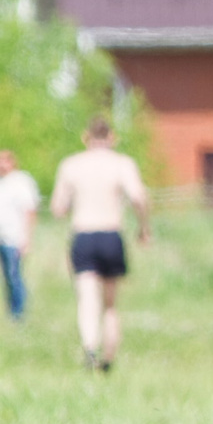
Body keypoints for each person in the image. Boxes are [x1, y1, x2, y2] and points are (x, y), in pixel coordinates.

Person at [50, 118, 151, 371]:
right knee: (110, 305)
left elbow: (58, 208)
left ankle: (89, 348)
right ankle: (108, 359)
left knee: (86, 298)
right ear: (112, 137)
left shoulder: (71, 165)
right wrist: (143, 228)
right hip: (110, 233)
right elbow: (138, 196)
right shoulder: (122, 164)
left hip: (83, 233)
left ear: (86, 137)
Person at [0, 148, 40, 323]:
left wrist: (27, 239)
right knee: (8, 277)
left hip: (14, 237)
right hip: (2, 236)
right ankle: (11, 310)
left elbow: (30, 211)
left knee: (14, 274)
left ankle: (18, 313)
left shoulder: (21, 181)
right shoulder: (3, 183)